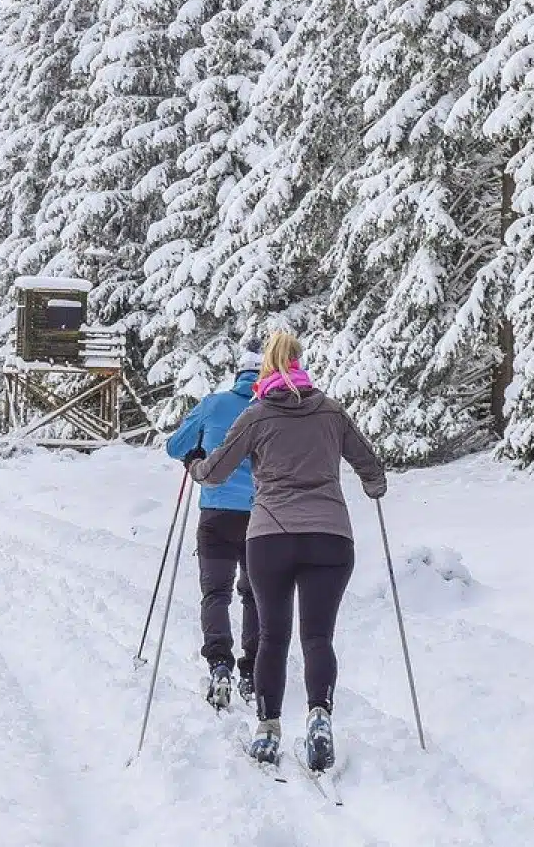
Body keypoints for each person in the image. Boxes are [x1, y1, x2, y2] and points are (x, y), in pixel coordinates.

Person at [187, 330, 387, 773]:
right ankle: (319, 715)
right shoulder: (332, 412)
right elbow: (370, 466)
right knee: (318, 637)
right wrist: (374, 486)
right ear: (300, 364)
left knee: (274, 636)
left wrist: (195, 466)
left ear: (266, 370)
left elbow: (216, 471)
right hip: (331, 537)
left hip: (270, 537)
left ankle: (268, 729)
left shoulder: (256, 416)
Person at [163, 346, 264, 711]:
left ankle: (219, 663)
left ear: (238, 374)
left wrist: (195, 457)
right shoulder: (272, 409)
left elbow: (175, 446)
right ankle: (252, 670)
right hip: (261, 516)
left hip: (217, 512)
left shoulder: (214, 404)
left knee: (216, 594)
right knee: (255, 596)